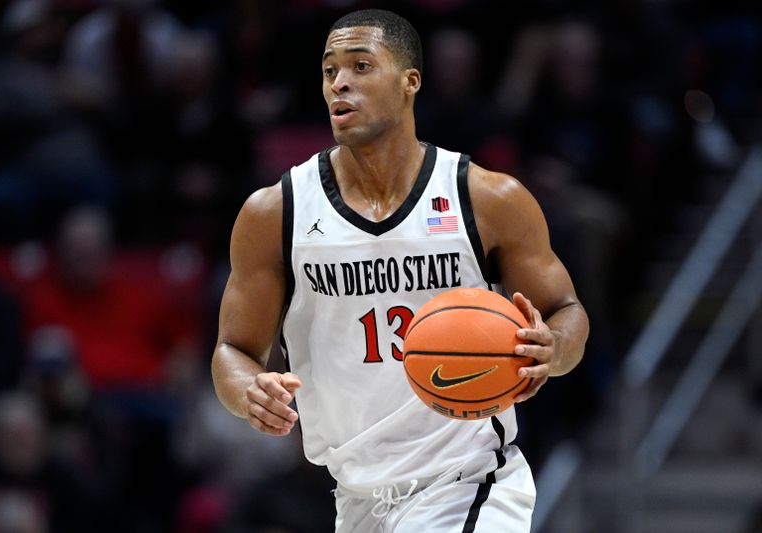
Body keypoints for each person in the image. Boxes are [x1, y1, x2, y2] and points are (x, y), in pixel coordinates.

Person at [211, 9, 589, 533]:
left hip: (469, 480)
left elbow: (566, 312)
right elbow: (233, 351)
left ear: (409, 81)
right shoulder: (276, 212)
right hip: (357, 494)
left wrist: (554, 349)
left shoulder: (485, 197)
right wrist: (248, 390)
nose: (339, 82)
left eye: (361, 66)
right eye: (329, 70)